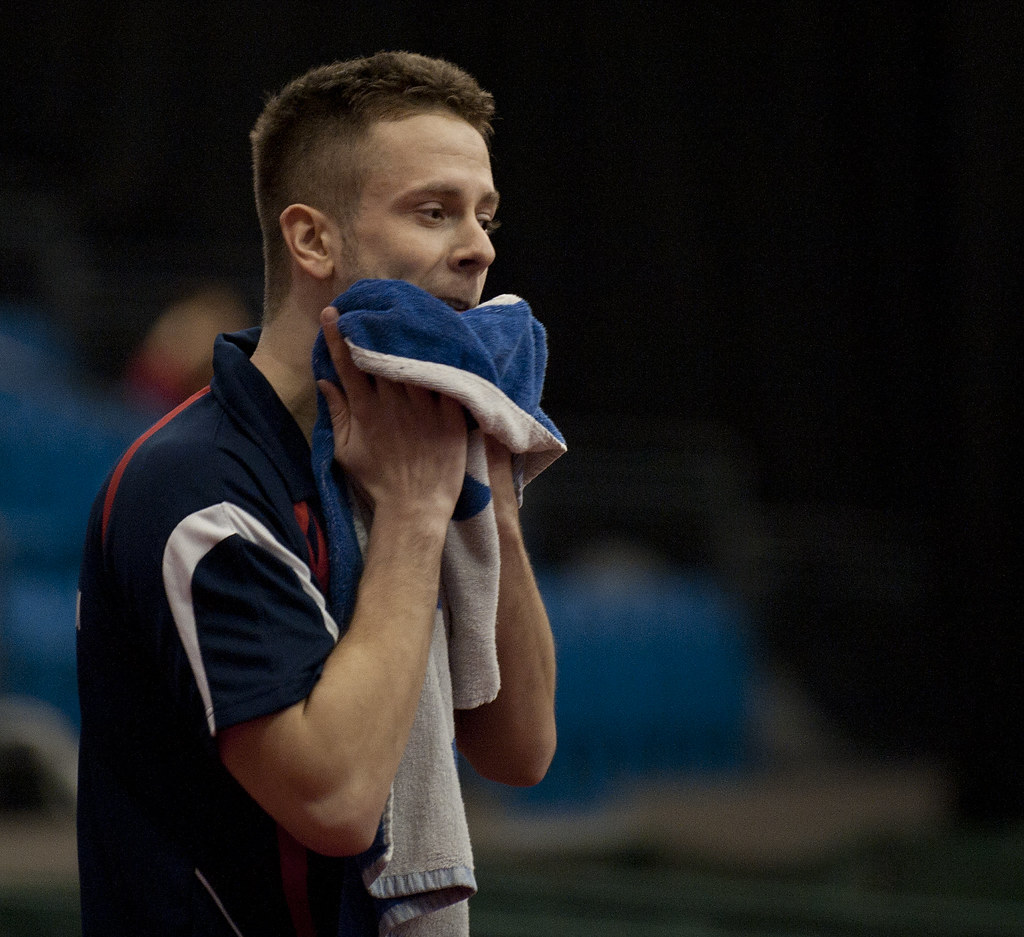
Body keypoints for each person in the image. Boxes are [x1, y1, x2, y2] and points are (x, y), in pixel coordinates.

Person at [76, 52, 557, 936]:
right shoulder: (195, 489)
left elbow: (519, 747)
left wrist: (490, 483)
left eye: (484, 215)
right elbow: (333, 800)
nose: (480, 247)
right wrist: (415, 513)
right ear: (312, 241)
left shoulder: (415, 443)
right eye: (434, 211)